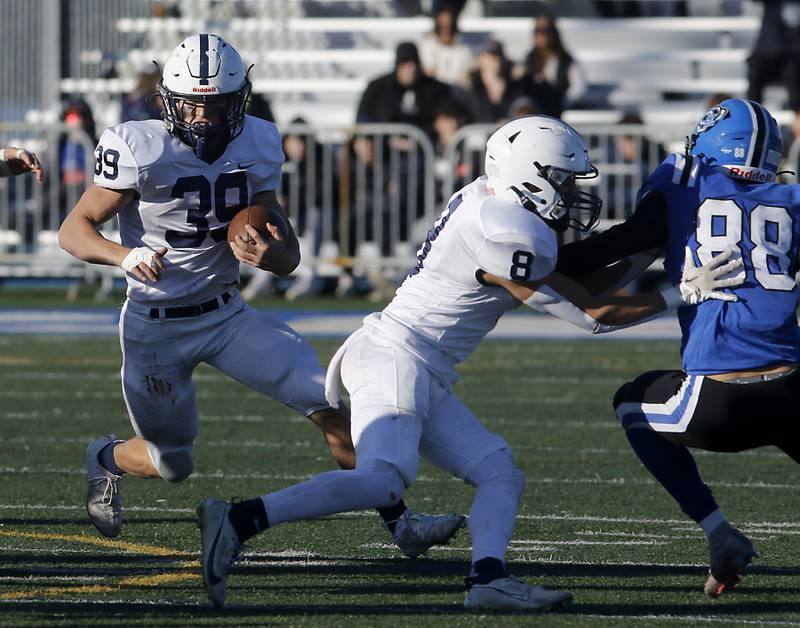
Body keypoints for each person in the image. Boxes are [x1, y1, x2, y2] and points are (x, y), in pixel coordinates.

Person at [196, 115, 740, 610]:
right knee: (384, 481)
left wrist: (650, 255)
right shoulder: (507, 231)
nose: (572, 192)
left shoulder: (493, 201)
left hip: (416, 363)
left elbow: (577, 283)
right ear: (532, 174)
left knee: (499, 472)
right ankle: (240, 518)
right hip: (396, 356)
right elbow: (590, 313)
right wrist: (681, 293)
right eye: (564, 179)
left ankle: (488, 580)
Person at [57, 34, 465, 554]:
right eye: (192, 105)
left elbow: (286, 249)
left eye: (217, 104)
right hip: (155, 324)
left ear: (239, 100)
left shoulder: (258, 141)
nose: (204, 117)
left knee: (328, 402)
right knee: (172, 462)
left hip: (228, 316)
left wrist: (270, 256)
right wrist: (123, 255)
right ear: (169, 100)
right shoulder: (139, 146)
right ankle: (107, 458)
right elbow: (75, 228)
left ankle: (399, 522)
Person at [555, 98, 799, 598]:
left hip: (718, 402)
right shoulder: (792, 201)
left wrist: (549, 262)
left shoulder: (684, 176)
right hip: (795, 390)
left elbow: (624, 242)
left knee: (632, 399)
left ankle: (718, 531)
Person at [356, 41, 452, 140]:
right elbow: (363, 118)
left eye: (413, 64)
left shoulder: (436, 89)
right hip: (383, 150)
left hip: (426, 149)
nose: (410, 69)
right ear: (397, 66)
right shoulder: (377, 88)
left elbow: (450, 116)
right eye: (404, 64)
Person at [519, 12, 587, 117]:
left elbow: (578, 89)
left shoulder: (566, 61)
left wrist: (561, 102)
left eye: (546, 30)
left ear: (554, 33)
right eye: (538, 30)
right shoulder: (528, 60)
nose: (541, 35)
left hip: (557, 113)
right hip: (533, 114)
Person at [416, 4, 473, 88]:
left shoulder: (463, 49)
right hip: (434, 91)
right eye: (442, 27)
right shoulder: (427, 45)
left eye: (449, 27)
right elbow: (429, 72)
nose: (446, 31)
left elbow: (464, 79)